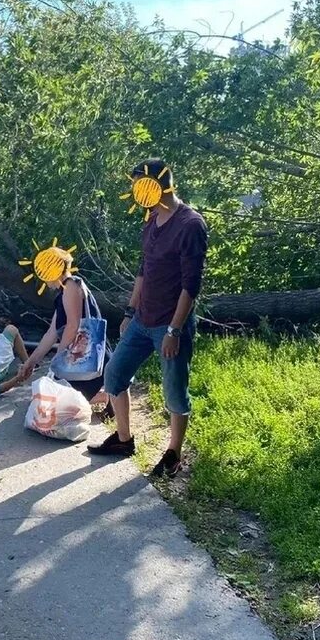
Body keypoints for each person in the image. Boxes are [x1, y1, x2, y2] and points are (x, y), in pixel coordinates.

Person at [87, 159, 208, 479]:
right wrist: (130, 311)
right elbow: (143, 271)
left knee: (174, 392)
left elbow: (190, 286)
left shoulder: (190, 225)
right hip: (142, 319)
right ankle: (124, 440)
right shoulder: (151, 221)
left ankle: (173, 453)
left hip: (170, 325)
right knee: (114, 374)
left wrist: (175, 330)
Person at [19, 246, 109, 409]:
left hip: (83, 355)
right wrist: (30, 362)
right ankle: (104, 397)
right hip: (80, 356)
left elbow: (73, 325)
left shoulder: (71, 286)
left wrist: (59, 357)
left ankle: (106, 397)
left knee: (58, 405)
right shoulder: (63, 293)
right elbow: (51, 333)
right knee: (54, 404)